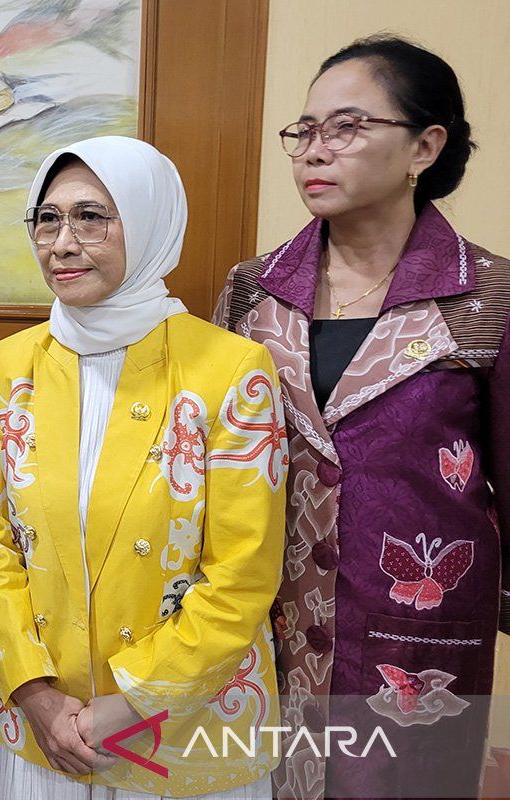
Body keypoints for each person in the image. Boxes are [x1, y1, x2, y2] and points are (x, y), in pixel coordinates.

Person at [213, 35, 507, 800]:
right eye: (304, 131)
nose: (315, 151)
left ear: (424, 146)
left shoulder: (488, 300)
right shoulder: (251, 292)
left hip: (411, 633)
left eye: (346, 128)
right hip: (266, 622)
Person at [0, 136, 288, 798]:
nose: (62, 242)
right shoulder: (9, 366)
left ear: (149, 223)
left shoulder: (229, 371)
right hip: (38, 721)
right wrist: (37, 693)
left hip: (185, 718)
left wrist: (135, 700)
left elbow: (243, 577)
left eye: (91, 217)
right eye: (47, 218)